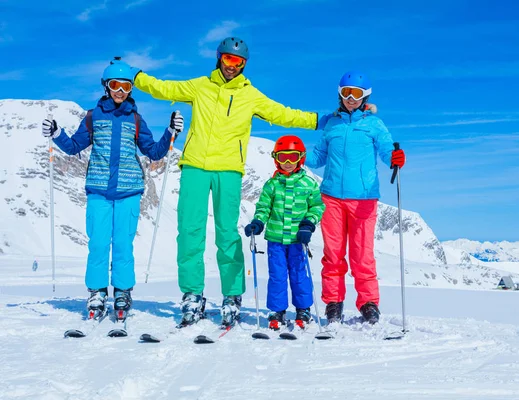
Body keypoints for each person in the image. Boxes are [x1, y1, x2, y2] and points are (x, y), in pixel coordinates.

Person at [128, 37, 320, 327]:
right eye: (228, 60)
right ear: (219, 58)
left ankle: (232, 295)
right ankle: (192, 294)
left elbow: (283, 114)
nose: (232, 66)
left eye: (238, 62)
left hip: (229, 169)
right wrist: (137, 77)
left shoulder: (250, 95)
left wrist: (318, 120)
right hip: (195, 166)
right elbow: (164, 87)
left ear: (244, 65)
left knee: (227, 234)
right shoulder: (200, 86)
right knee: (189, 232)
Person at [41, 57, 183, 320]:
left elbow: (153, 152)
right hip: (98, 191)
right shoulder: (93, 117)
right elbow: (74, 147)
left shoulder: (136, 119)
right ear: (106, 86)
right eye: (115, 85)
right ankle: (96, 291)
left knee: (122, 245)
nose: (120, 91)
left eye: (126, 86)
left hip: (129, 191)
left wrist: (169, 132)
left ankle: (122, 291)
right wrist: (57, 133)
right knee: (97, 243)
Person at [305, 71, 406, 325]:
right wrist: (295, 155)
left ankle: (368, 303)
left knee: (362, 254)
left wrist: (393, 158)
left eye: (357, 94)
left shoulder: (374, 124)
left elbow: (385, 148)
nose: (351, 98)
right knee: (333, 254)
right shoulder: (332, 124)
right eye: (346, 93)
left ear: (365, 97)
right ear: (339, 94)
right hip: (331, 199)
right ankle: (334, 303)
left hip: (363, 198)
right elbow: (318, 157)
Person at [244, 135, 324, 330]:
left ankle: (303, 309)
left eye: (292, 157)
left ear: (301, 157)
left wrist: (308, 224)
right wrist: (258, 222)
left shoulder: (308, 183)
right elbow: (264, 207)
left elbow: (317, 207)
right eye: (282, 158)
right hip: (276, 240)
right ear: (276, 158)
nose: (287, 163)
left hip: (298, 239)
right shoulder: (272, 185)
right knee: (277, 275)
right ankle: (277, 310)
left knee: (299, 274)